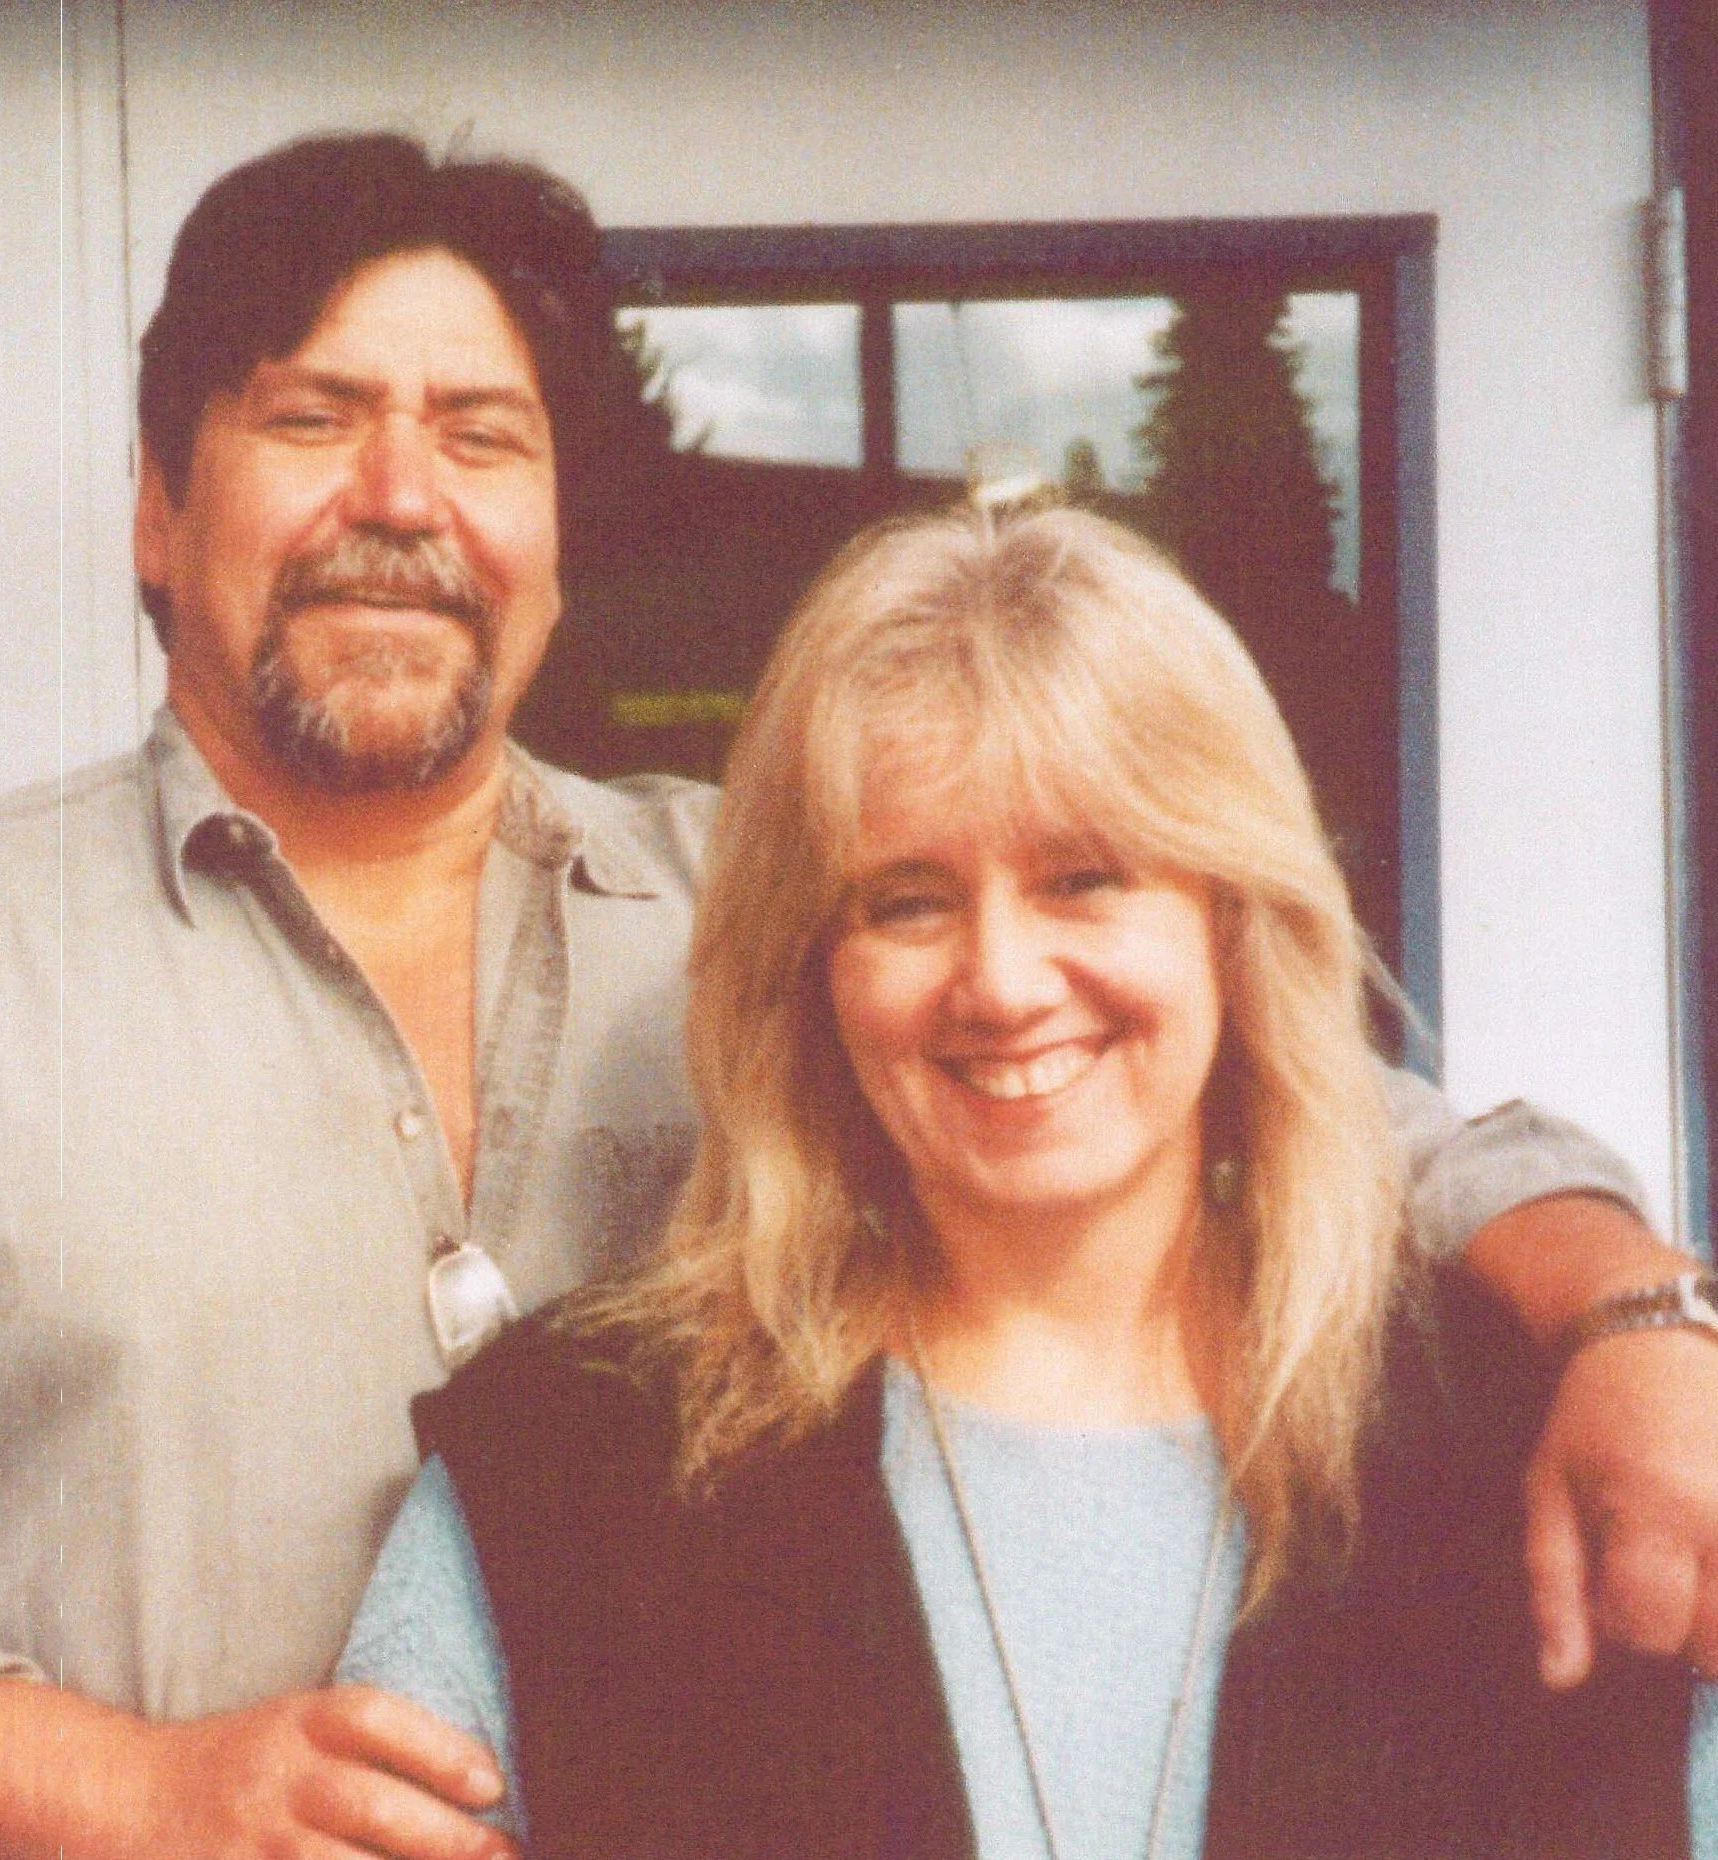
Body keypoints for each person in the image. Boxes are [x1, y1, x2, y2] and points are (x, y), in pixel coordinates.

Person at [0, 132, 1716, 1860]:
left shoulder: (792, 922)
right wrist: (131, 1788)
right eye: (309, 417)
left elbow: (1335, 1123)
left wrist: (1629, 1319)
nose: (398, 497)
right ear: (158, 509)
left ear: (554, 532)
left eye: (481, 433)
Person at [340, 502, 1705, 1857]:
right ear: (810, 969)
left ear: (1232, 922)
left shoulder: (1522, 1443)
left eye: (1084, 879)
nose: (999, 982)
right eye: (907, 901)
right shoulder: (573, 1469)